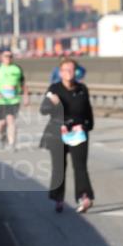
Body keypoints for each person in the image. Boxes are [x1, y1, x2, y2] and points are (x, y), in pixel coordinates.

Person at [40, 59, 95, 214]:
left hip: (78, 132)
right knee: (59, 167)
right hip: (58, 131)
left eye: (71, 70)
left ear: (76, 72)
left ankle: (84, 197)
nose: (69, 73)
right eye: (65, 70)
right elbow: (43, 110)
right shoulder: (54, 89)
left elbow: (88, 111)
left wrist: (86, 126)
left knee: (80, 166)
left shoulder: (82, 89)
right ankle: (58, 198)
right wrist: (53, 103)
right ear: (60, 72)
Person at [0, 50, 29, 150]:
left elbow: (23, 83)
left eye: (10, 56)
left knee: (11, 120)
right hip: (0, 100)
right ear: (2, 58)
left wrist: (25, 96)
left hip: (13, 100)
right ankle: (0, 136)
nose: (8, 58)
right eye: (6, 56)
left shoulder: (17, 69)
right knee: (1, 123)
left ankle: (12, 143)